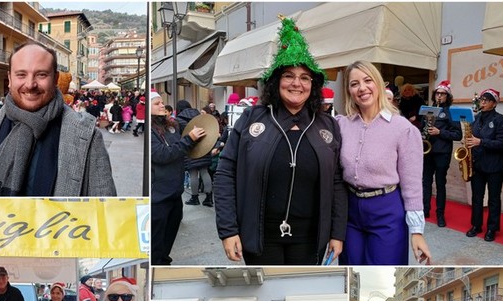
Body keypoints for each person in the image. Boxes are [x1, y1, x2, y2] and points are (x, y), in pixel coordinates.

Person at [214, 17, 347, 264]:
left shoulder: (328, 125)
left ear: (313, 85)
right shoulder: (251, 117)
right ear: (277, 82)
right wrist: (228, 229)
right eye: (289, 75)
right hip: (260, 236)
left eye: (305, 77)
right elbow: (225, 174)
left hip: (310, 238)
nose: (297, 83)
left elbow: (337, 182)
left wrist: (337, 233)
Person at [0, 43, 116, 196]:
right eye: (21, 74)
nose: (30, 84)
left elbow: (105, 209)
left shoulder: (87, 135)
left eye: (41, 74)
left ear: (55, 79)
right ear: (10, 78)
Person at [336, 60, 431, 264]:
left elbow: (412, 185)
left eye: (367, 80)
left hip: (386, 210)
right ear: (349, 91)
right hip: (350, 210)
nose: (362, 88)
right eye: (354, 84)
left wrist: (416, 231)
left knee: (384, 267)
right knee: (351, 265)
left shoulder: (402, 129)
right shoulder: (342, 125)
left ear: (378, 84)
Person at [151, 91, 206, 265]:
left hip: (175, 193)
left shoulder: (171, 126)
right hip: (158, 198)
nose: (162, 105)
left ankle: (164, 261)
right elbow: (161, 154)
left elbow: (183, 144)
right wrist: (189, 139)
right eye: (157, 103)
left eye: (162, 102)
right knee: (156, 244)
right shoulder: (149, 130)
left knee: (169, 237)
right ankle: (158, 263)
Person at [465, 88, 503, 242]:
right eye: (482, 99)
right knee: (477, 197)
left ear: (494, 103)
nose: (483, 102)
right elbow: (472, 137)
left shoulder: (501, 120)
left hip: (495, 166)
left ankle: (492, 228)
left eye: (487, 100)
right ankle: (476, 225)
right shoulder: (476, 119)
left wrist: (481, 142)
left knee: (493, 199)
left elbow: (502, 143)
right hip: (478, 164)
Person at [422, 80, 462, 227]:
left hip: (442, 153)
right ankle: (425, 210)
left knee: (440, 184)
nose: (439, 96)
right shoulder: (428, 109)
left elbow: (458, 135)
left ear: (447, 96)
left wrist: (440, 132)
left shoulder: (451, 112)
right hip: (427, 151)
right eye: (437, 93)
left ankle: (440, 214)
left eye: (442, 94)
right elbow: (422, 126)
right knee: (425, 182)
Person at [176, 100, 214, 207]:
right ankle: (209, 198)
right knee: (204, 172)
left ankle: (195, 198)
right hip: (204, 148)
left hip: (190, 149)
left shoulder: (178, 120)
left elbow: (179, 137)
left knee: (193, 173)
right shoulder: (200, 116)